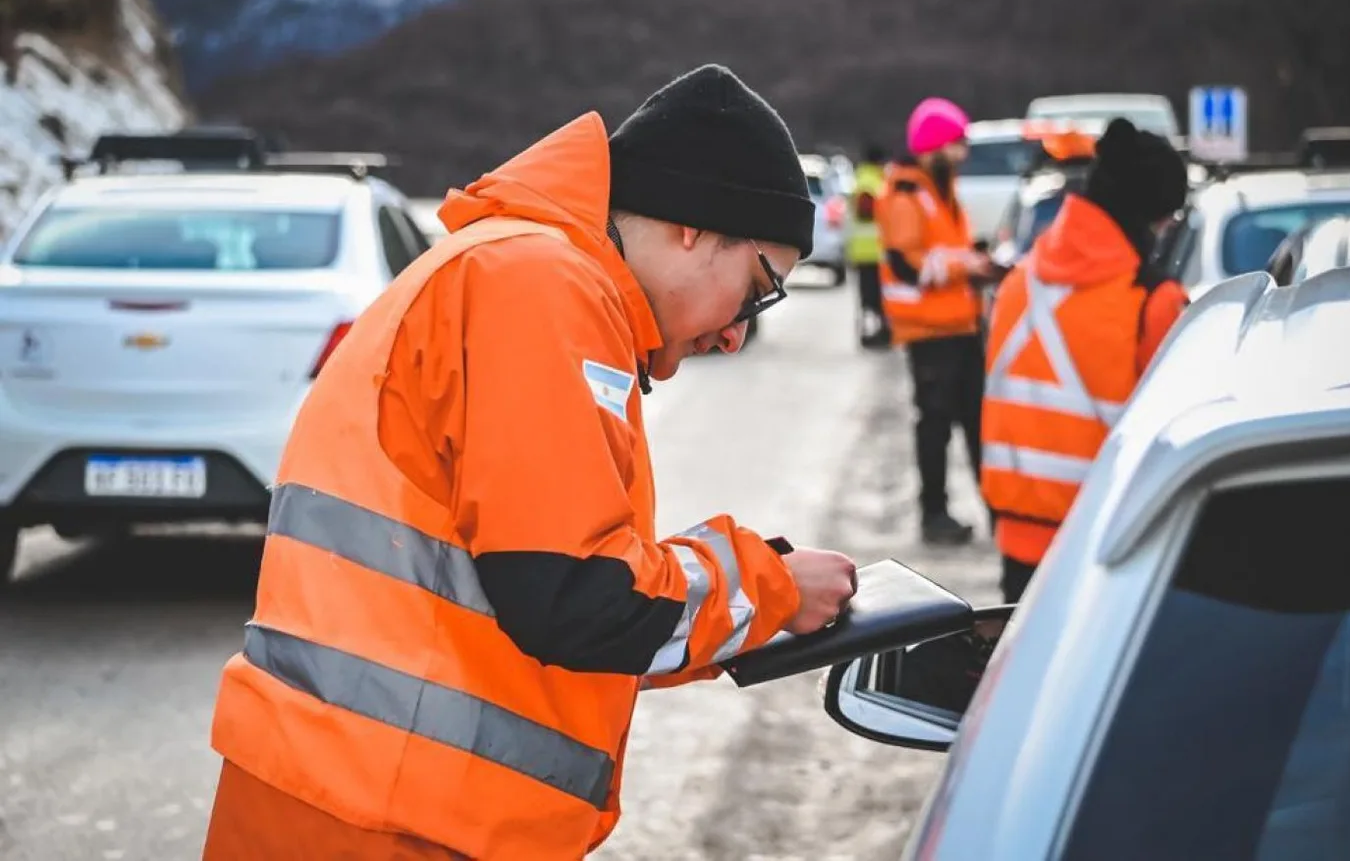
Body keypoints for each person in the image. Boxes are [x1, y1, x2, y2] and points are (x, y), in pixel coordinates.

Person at [200, 64, 860, 861]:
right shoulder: (541, 286)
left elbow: (522, 598)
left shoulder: (516, 272)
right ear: (694, 226)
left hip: (364, 798)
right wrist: (769, 586)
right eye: (758, 289)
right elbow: (577, 598)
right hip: (387, 820)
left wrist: (749, 605)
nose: (736, 333)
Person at [981, 117, 1190, 603]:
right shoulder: (1152, 301)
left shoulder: (1018, 285)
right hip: (1108, 542)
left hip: (1017, 538)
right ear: (1152, 216)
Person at [876, 97, 995, 546]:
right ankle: (934, 514)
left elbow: (940, 252)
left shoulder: (935, 190)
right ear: (933, 147)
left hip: (958, 327)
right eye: (956, 144)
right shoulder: (907, 194)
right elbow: (908, 266)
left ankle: (993, 509)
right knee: (937, 424)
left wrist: (971, 260)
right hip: (930, 332)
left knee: (975, 423)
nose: (962, 154)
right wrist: (969, 266)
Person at [847, 143, 891, 348]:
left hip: (868, 251)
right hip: (872, 251)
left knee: (871, 296)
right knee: (873, 298)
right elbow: (866, 212)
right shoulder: (870, 183)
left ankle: (876, 330)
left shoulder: (866, 179)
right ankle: (873, 332)